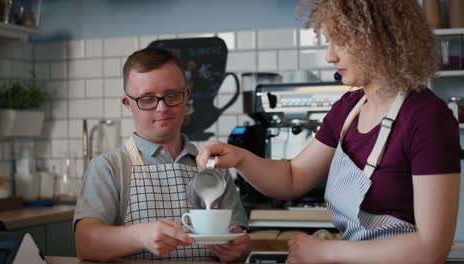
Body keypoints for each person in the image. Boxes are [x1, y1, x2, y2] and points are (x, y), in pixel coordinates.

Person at [197, 0, 461, 263]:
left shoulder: (428, 119)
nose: (330, 56)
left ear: (383, 39)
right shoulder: (348, 109)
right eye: (327, 41)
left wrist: (327, 251)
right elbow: (291, 178)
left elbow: (432, 247)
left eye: (341, 41)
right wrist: (240, 158)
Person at [73, 47, 250, 262]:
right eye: (147, 99)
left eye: (172, 95)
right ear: (128, 104)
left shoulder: (215, 167)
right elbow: (85, 243)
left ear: (186, 96)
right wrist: (138, 236)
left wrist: (238, 249)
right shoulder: (109, 167)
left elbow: (238, 238)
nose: (162, 108)